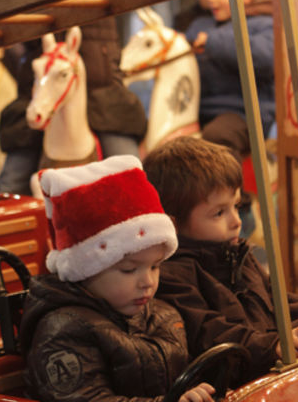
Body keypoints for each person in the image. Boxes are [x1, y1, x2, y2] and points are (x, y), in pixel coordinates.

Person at [143, 137, 298, 385]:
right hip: (234, 383)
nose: (236, 221)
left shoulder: (237, 254)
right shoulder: (170, 274)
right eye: (219, 213)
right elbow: (208, 332)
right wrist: (273, 346)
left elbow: (279, 301)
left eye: (236, 206)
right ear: (173, 224)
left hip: (273, 374)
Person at [19, 155, 216, 402]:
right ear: (87, 269)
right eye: (129, 270)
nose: (148, 281)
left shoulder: (162, 315)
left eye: (154, 267)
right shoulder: (64, 330)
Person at [0, 0, 147, 195]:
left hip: (99, 93)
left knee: (129, 170)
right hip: (44, 92)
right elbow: (26, 29)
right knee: (13, 178)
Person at [186, 0, 275, 164]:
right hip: (200, 110)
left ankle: (230, 191)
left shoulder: (262, 24)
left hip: (243, 113)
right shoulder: (200, 25)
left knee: (218, 136)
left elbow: (265, 58)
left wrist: (212, 42)